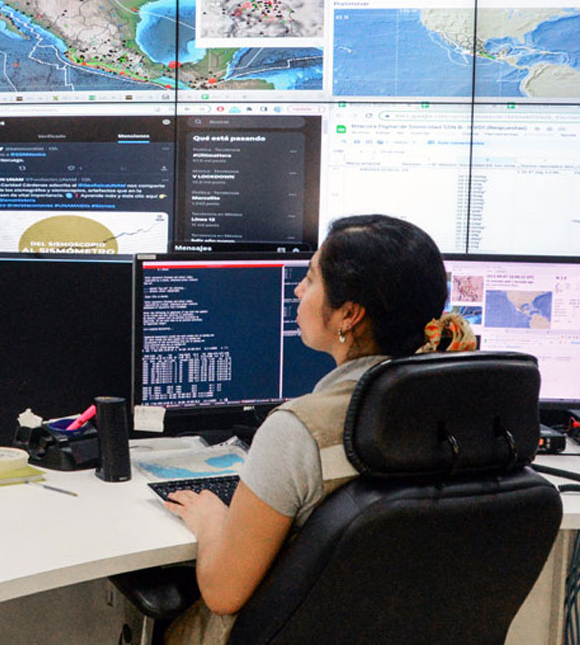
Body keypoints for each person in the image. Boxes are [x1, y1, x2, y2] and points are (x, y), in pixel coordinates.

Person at [162, 214, 476, 644]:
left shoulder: (299, 431)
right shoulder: (466, 412)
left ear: (349, 314)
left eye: (310, 280)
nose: (297, 290)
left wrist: (212, 520)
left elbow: (223, 592)